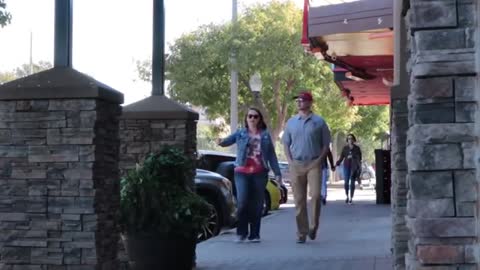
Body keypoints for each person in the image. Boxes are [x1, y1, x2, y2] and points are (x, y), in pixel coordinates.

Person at [216, 107, 282, 243]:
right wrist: (220, 141)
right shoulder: (240, 133)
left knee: (257, 204)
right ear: (246, 119)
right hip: (242, 172)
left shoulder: (264, 135)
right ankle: (241, 233)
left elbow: (271, 155)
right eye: (250, 116)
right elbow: (227, 141)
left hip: (260, 173)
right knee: (243, 202)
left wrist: (277, 173)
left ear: (259, 119)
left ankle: (254, 234)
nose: (252, 119)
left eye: (255, 116)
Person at [282, 91, 331, 244]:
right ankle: (301, 232)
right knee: (299, 200)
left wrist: (319, 160)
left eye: (302, 100)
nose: (299, 102)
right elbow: (285, 143)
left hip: (314, 164)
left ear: (310, 102)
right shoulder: (291, 122)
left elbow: (325, 145)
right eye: (297, 100)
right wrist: (289, 161)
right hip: (296, 164)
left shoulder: (319, 122)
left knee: (316, 195)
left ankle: (313, 226)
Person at [335, 133, 362, 204]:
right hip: (346, 166)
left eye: (351, 138)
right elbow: (341, 158)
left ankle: (351, 197)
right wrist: (337, 164)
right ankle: (347, 196)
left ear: (354, 139)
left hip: (354, 167)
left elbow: (360, 158)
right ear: (347, 140)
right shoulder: (345, 148)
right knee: (346, 182)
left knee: (352, 183)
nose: (350, 140)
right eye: (349, 138)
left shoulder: (357, 148)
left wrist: (353, 156)